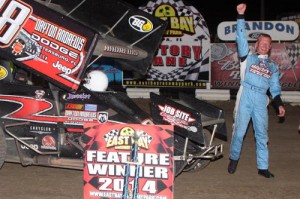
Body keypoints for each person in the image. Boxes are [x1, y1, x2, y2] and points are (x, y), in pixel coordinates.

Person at [228, 3, 286, 178]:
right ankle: (234, 158)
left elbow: (275, 88)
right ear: (256, 44)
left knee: (262, 134)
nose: (264, 45)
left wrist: (280, 105)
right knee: (239, 132)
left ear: (269, 47)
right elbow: (240, 38)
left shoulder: (273, 66)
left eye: (267, 44)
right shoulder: (247, 57)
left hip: (261, 99)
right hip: (245, 95)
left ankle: (263, 167)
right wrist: (240, 16)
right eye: (262, 42)